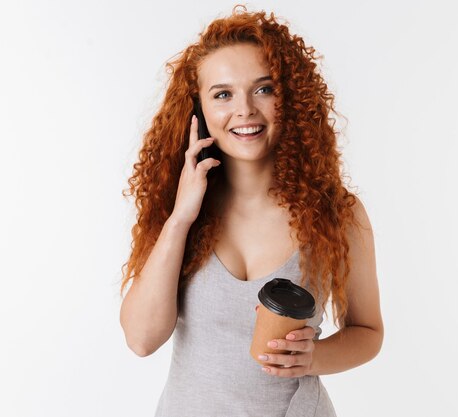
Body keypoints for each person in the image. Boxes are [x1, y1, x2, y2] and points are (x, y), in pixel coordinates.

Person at [119, 4, 383, 416]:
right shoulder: (180, 210)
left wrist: (314, 358)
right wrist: (180, 219)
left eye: (264, 88)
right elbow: (141, 339)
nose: (244, 110)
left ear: (290, 97)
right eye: (222, 94)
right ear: (199, 110)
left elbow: (367, 332)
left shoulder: (337, 213)